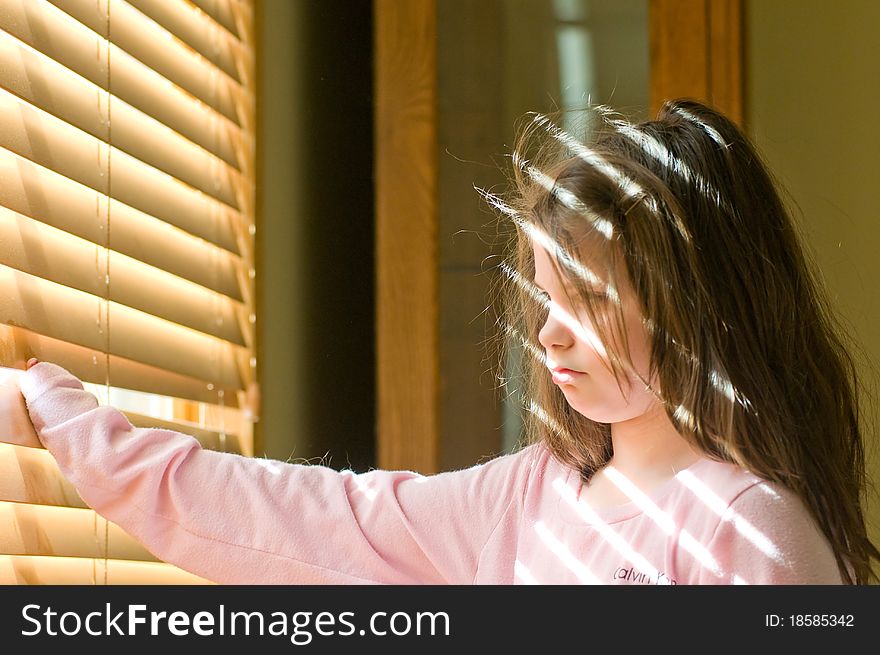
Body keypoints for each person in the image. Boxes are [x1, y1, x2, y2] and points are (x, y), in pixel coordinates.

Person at [12, 98, 879, 585]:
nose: (549, 333)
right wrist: (75, 427)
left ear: (697, 305)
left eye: (586, 299)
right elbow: (295, 519)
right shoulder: (527, 499)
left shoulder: (755, 530)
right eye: (545, 298)